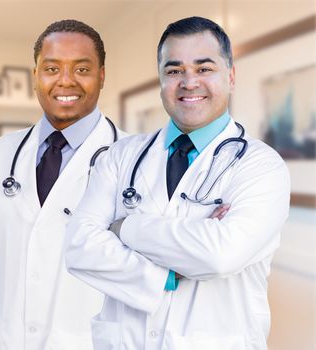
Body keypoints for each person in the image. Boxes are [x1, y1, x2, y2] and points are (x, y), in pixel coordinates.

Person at [65, 16, 290, 350]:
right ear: (161, 80)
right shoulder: (120, 156)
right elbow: (79, 246)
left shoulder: (261, 165)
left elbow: (220, 255)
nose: (188, 82)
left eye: (204, 68)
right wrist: (165, 275)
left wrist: (125, 228)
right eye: (174, 71)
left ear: (230, 76)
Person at [0, 19, 124, 350]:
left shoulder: (135, 163)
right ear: (35, 77)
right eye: (52, 68)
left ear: (101, 76)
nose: (65, 81)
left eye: (82, 69)